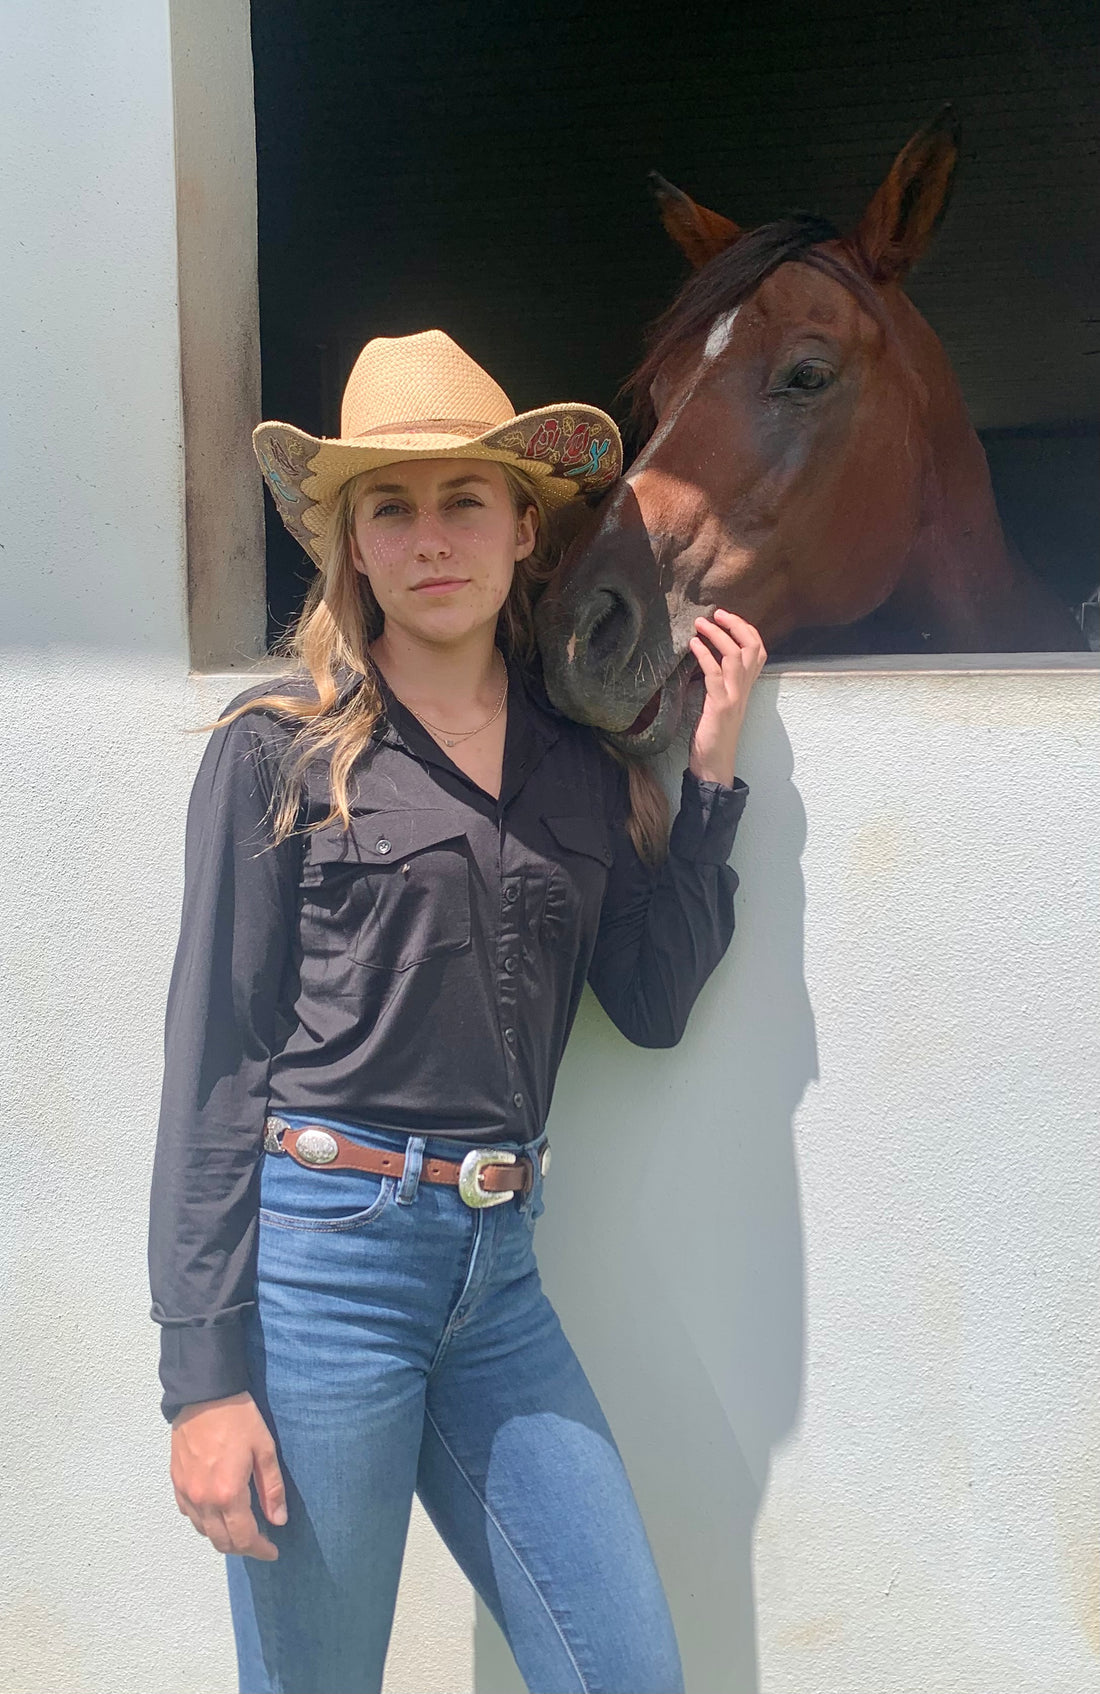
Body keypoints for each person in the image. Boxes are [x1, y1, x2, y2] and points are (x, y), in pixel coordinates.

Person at [148, 329, 766, 1694]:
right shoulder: (281, 751)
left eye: (463, 500)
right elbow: (213, 1070)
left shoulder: (580, 771)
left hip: (500, 1284)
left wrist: (709, 777)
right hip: (324, 1275)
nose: (432, 538)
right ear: (353, 546)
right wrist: (203, 1379)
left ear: (523, 525)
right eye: (392, 507)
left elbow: (650, 1005)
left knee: (629, 1672)